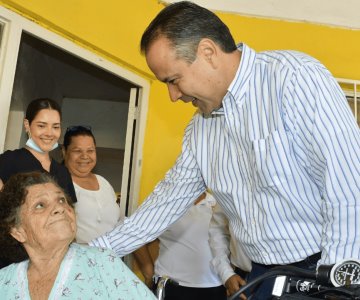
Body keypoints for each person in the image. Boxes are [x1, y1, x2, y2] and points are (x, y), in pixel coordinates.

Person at [91, 2, 360, 299]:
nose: (173, 96)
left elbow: (348, 185)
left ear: (207, 52)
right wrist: (89, 255)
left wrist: (340, 284)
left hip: (323, 269)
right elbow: (162, 205)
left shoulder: (294, 80)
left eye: (173, 80)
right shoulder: (200, 131)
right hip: (262, 275)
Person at [0, 171, 155, 300]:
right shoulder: (4, 282)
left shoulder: (103, 263)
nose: (59, 208)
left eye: (61, 200)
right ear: (18, 231)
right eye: (40, 205)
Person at [0, 98, 77, 268]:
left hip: (53, 262)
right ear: (27, 125)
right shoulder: (8, 161)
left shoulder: (62, 172)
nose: (49, 133)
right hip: (10, 261)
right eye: (41, 125)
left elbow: (69, 217)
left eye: (55, 126)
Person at [133, 192, 227, 300]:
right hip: (172, 289)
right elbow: (134, 233)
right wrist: (149, 273)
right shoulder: (163, 203)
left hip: (216, 289)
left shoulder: (219, 204)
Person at [62, 125, 120, 244]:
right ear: (64, 152)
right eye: (77, 151)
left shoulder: (103, 182)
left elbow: (120, 223)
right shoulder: (59, 183)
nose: (85, 156)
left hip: (110, 259)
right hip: (77, 259)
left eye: (90, 150)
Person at [209, 203, 252, 297]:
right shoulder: (224, 190)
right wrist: (226, 273)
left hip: (287, 271)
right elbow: (218, 232)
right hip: (242, 278)